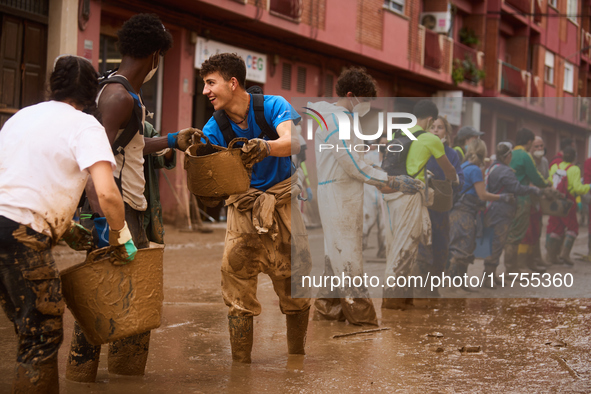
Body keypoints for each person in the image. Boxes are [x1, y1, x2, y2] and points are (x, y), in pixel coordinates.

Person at [66, 14, 195, 382]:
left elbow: (130, 147)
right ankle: (104, 374)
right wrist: (111, 231)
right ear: (156, 55)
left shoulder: (115, 89)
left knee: (115, 292)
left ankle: (97, 374)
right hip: (117, 212)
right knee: (127, 294)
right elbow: (97, 161)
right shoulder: (119, 96)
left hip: (122, 209)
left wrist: (171, 140)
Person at [0, 55, 136, 393]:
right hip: (22, 234)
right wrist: (121, 237)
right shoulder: (84, 125)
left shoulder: (21, 117)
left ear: (53, 86)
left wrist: (65, 228)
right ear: (92, 94)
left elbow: (18, 183)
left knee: (22, 325)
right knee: (41, 333)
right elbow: (107, 194)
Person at [198, 53, 311, 363]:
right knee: (236, 290)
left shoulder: (273, 106)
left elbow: (295, 143)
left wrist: (266, 146)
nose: (205, 91)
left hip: (282, 204)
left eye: (211, 83)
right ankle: (240, 366)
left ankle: (296, 359)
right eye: (204, 84)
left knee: (296, 287)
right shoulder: (213, 127)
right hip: (242, 209)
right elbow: (211, 181)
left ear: (233, 83)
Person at [308, 68, 423, 325]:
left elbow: (352, 159)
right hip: (340, 196)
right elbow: (355, 167)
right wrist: (392, 180)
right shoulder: (338, 121)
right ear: (351, 95)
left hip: (339, 192)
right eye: (367, 100)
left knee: (335, 257)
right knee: (349, 260)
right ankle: (364, 321)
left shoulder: (337, 118)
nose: (368, 106)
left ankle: (327, 315)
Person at [382, 100, 457, 309]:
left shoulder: (400, 133)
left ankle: (403, 299)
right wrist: (454, 179)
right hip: (410, 197)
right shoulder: (430, 139)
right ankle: (393, 303)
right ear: (431, 118)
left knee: (393, 246)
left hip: (391, 195)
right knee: (406, 249)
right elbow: (449, 169)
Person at [447, 139, 514, 283]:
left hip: (455, 213)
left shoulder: (463, 166)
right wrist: (502, 197)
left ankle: (455, 284)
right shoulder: (475, 170)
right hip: (465, 215)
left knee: (457, 248)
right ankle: (455, 286)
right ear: (483, 154)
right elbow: (482, 194)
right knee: (463, 249)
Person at [413, 116, 464, 297]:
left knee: (440, 249)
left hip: (442, 211)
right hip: (421, 208)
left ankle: (433, 289)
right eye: (432, 127)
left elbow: (460, 179)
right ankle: (419, 290)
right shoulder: (419, 148)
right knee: (421, 249)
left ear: (447, 132)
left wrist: (450, 182)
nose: (435, 130)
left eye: (440, 127)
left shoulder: (451, 154)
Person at [483, 143, 541, 281]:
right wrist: (533, 190)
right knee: (497, 243)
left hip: (490, 209)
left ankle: (490, 275)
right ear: (508, 156)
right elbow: (517, 189)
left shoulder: (492, 168)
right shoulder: (505, 171)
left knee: (492, 243)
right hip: (501, 211)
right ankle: (489, 277)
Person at [504, 129, 550, 274]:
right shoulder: (525, 155)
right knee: (518, 234)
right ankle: (513, 268)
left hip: (508, 197)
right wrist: (547, 184)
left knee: (512, 232)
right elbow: (536, 178)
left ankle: (514, 267)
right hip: (522, 198)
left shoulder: (511, 153)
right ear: (529, 142)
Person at [546, 147, 590, 266]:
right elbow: (577, 188)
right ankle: (565, 254)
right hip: (568, 203)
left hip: (554, 202)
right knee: (573, 228)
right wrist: (588, 187)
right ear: (574, 157)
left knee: (555, 227)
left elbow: (550, 181)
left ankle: (551, 256)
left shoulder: (555, 167)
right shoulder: (574, 169)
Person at [519, 136, 551, 271]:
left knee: (536, 231)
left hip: (539, 201)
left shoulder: (544, 161)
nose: (539, 149)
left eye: (541, 146)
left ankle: (534, 261)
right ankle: (521, 264)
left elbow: (546, 179)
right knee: (527, 232)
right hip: (527, 200)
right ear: (530, 147)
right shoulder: (526, 159)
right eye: (536, 146)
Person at [143, 121, 176, 243]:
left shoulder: (146, 128)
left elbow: (161, 160)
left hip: (145, 199)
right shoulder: (99, 124)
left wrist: (168, 145)